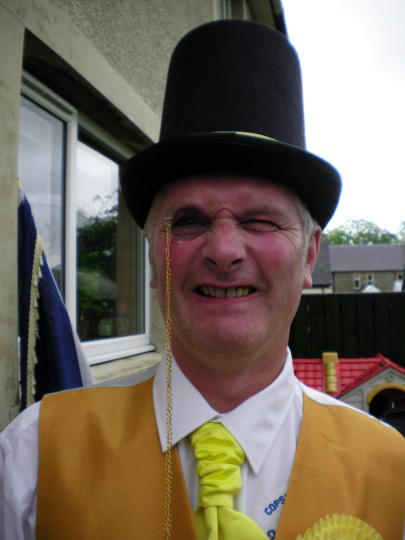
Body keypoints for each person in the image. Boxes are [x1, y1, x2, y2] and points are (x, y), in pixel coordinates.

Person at [1, 20, 404, 540]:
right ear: (153, 258)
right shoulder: (32, 458)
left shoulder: (392, 473)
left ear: (309, 256)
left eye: (259, 220)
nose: (224, 250)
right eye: (188, 221)